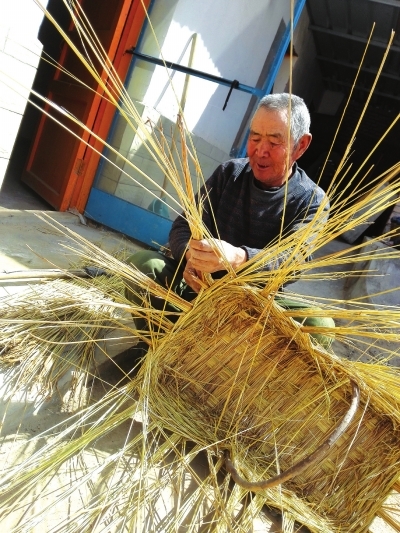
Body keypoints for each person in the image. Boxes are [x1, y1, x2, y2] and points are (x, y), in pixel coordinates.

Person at [126, 93, 334, 350]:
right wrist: (191, 255)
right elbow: (183, 225)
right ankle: (159, 348)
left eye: (274, 141)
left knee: (318, 325)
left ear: (300, 145)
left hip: (255, 306)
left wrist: (239, 258)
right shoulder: (229, 173)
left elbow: (293, 262)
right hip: (200, 287)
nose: (260, 150)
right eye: (255, 137)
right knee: (143, 265)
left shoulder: (312, 200)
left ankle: (236, 376)